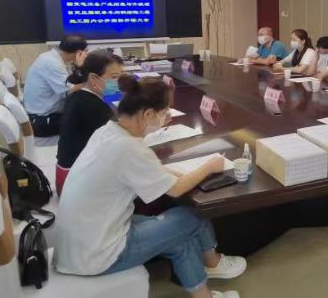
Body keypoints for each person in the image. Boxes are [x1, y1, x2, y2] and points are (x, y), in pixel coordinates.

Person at [55, 77, 245, 298]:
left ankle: (206, 286)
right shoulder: (129, 148)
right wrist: (209, 166)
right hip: (99, 253)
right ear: (147, 114)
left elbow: (139, 168)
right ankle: (213, 262)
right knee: (194, 214)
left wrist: (173, 173)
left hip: (78, 243)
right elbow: (175, 189)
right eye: (164, 113)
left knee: (178, 236)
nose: (167, 117)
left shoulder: (107, 131)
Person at [55, 50, 124, 197]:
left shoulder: (79, 95)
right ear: (93, 78)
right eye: (114, 77)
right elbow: (121, 141)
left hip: (67, 174)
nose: (118, 83)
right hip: (75, 185)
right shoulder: (93, 106)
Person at [23, 34, 88, 137]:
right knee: (89, 120)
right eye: (85, 52)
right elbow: (69, 91)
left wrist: (78, 67)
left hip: (42, 115)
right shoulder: (52, 63)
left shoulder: (50, 56)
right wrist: (92, 83)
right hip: (44, 122)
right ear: (79, 52)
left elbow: (70, 81)